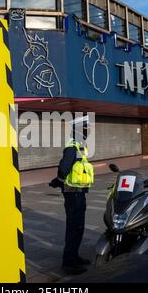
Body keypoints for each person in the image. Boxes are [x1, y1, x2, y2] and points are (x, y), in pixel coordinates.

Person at [49, 116, 94, 275]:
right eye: (85, 128)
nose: (87, 131)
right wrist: (60, 179)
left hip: (78, 191)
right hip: (72, 192)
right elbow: (64, 167)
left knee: (78, 226)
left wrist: (59, 180)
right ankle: (68, 262)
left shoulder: (79, 146)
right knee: (74, 227)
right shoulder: (72, 146)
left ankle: (74, 256)